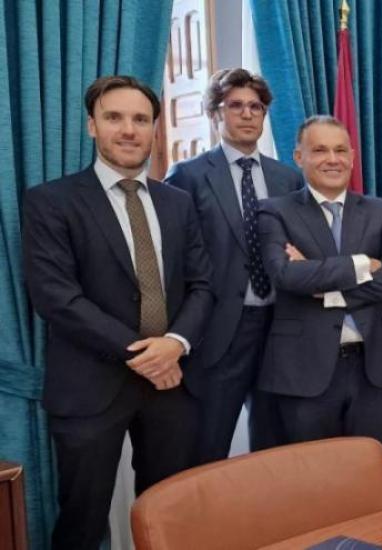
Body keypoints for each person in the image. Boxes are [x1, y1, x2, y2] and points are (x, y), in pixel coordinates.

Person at [21, 75, 214, 550]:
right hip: (89, 387)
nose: (128, 130)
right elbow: (56, 298)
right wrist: (147, 354)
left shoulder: (178, 202)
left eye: (140, 119)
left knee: (170, 519)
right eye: (114, 117)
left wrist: (176, 344)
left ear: (154, 129)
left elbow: (204, 286)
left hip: (172, 387)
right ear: (92, 126)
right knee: (82, 523)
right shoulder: (50, 202)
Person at [165, 68, 300, 463]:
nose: (246, 114)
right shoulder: (188, 176)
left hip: (280, 329)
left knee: (275, 450)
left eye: (255, 106)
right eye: (235, 105)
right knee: (207, 450)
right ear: (215, 114)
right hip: (219, 332)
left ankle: (273, 525)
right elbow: (176, 262)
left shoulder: (287, 178)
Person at [256, 115, 382, 451]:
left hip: (374, 365)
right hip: (304, 368)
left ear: (353, 157)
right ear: (299, 157)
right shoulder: (274, 211)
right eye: (320, 150)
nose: (332, 159)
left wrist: (324, 287)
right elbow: (285, 275)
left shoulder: (379, 209)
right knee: (312, 479)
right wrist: (362, 264)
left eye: (341, 150)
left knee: (369, 472)